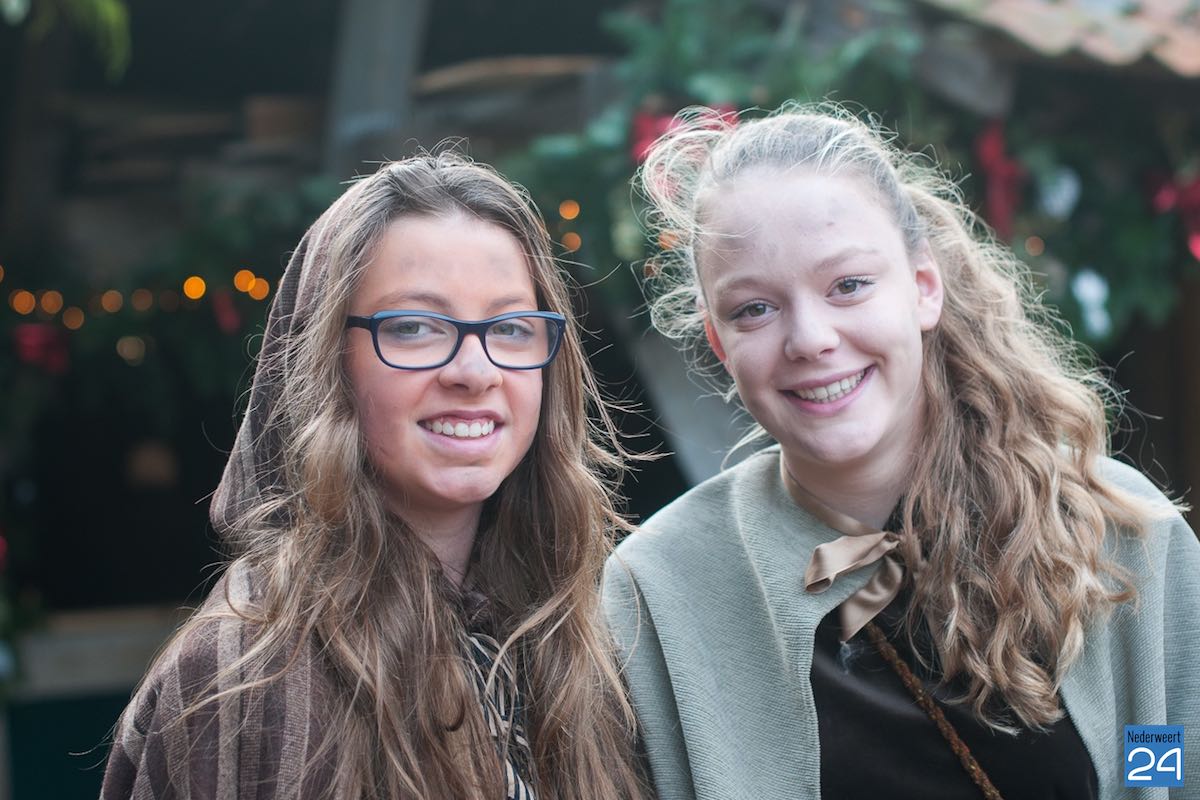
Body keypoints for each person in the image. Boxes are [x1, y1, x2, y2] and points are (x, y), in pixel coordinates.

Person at [603, 102, 1200, 800]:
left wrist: (1155, 771)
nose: (811, 339)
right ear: (718, 343)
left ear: (923, 289)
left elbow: (1168, 756)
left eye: (849, 285)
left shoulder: (1118, 531)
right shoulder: (662, 591)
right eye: (754, 309)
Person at [102, 152, 647, 800]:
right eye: (413, 327)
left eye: (509, 327)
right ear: (329, 361)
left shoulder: (586, 642)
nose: (475, 372)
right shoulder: (246, 674)